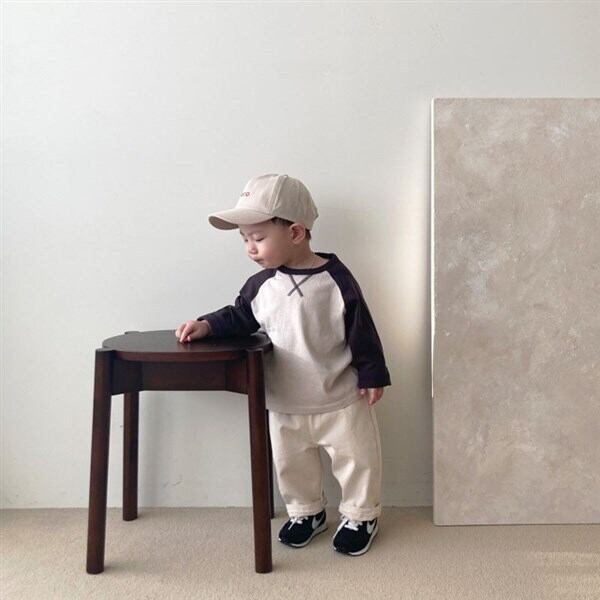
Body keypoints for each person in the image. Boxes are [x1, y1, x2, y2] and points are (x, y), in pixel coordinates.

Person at [176, 173, 391, 556]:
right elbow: (239, 316)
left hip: (341, 398)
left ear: (295, 232)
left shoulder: (336, 280)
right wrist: (206, 325)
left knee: (357, 459)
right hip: (285, 400)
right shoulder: (261, 285)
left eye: (258, 238)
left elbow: (361, 328)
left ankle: (361, 514)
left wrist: (372, 373)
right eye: (244, 239)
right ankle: (306, 512)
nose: (250, 248)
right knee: (292, 464)